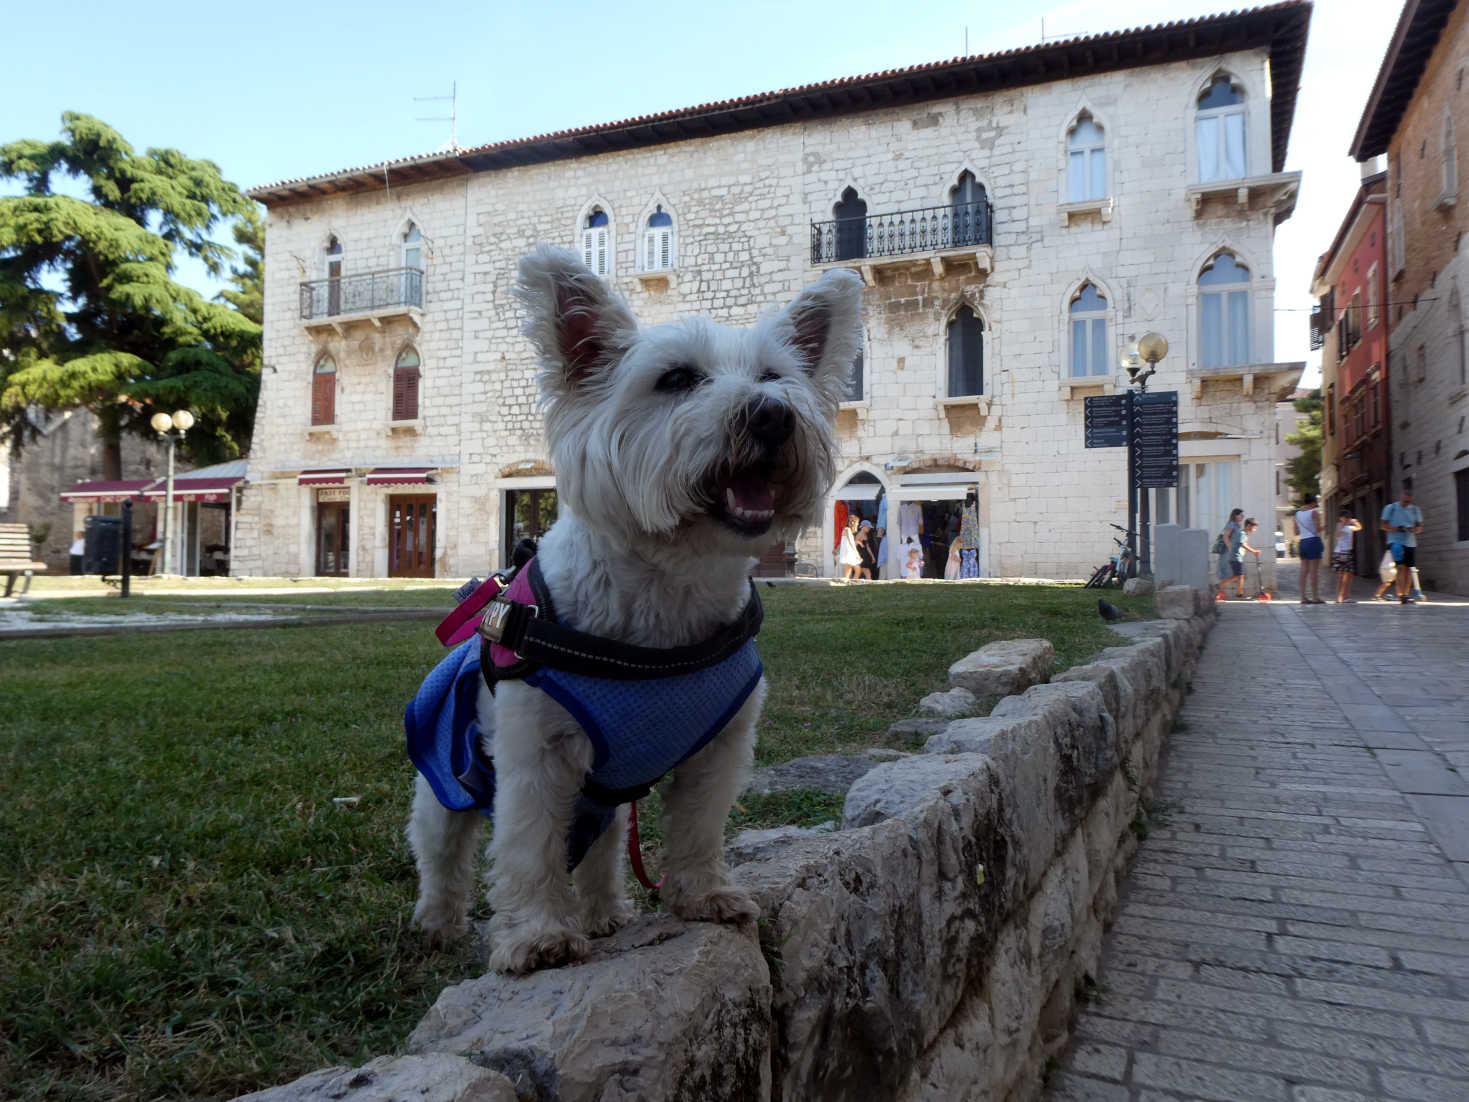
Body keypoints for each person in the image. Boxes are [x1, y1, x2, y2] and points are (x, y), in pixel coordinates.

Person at [1380, 481, 1424, 604]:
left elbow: (1420, 526)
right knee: (1400, 567)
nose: (1407, 502)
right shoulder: (1391, 508)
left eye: (1409, 500)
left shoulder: (1415, 510)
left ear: (1412, 498)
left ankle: (1406, 593)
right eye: (1405, 499)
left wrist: (1415, 530)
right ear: (1401, 497)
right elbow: (1383, 525)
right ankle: (1401, 594)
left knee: (1408, 569)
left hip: (1410, 542)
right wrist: (1398, 528)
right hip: (1395, 541)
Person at [1296, 493, 1325, 604]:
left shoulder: (1297, 514)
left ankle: (1303, 597)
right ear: (1312, 502)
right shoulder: (1314, 512)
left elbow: (1296, 531)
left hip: (1303, 542)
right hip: (1313, 541)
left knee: (1303, 571)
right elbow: (1317, 529)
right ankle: (1315, 597)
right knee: (1314, 571)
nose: (1316, 505)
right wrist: (1324, 527)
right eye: (1316, 503)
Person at [1332, 509, 1362, 604]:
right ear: (1341, 518)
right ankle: (1339, 597)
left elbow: (1359, 528)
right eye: (1346, 517)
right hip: (1341, 552)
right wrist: (1343, 524)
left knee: (1350, 575)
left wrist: (1355, 521)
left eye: (1349, 517)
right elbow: (1337, 535)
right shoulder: (1339, 525)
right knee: (1342, 575)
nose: (1347, 519)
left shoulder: (1350, 527)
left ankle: (1346, 597)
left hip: (1348, 552)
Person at [1214, 508, 1246, 599]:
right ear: (1235, 515)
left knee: (1238, 573)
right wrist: (1231, 548)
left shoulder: (1237, 526)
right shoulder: (1231, 525)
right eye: (1241, 515)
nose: (1243, 517)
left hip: (1235, 553)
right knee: (1238, 573)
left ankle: (1238, 593)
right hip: (1231, 553)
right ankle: (1222, 587)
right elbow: (1225, 537)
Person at [837, 514, 861, 580]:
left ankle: (849, 584)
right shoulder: (847, 530)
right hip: (848, 553)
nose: (858, 524)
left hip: (848, 553)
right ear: (853, 522)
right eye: (857, 522)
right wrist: (857, 554)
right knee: (857, 570)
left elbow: (847, 542)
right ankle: (852, 583)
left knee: (849, 572)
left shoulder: (847, 530)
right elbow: (851, 543)